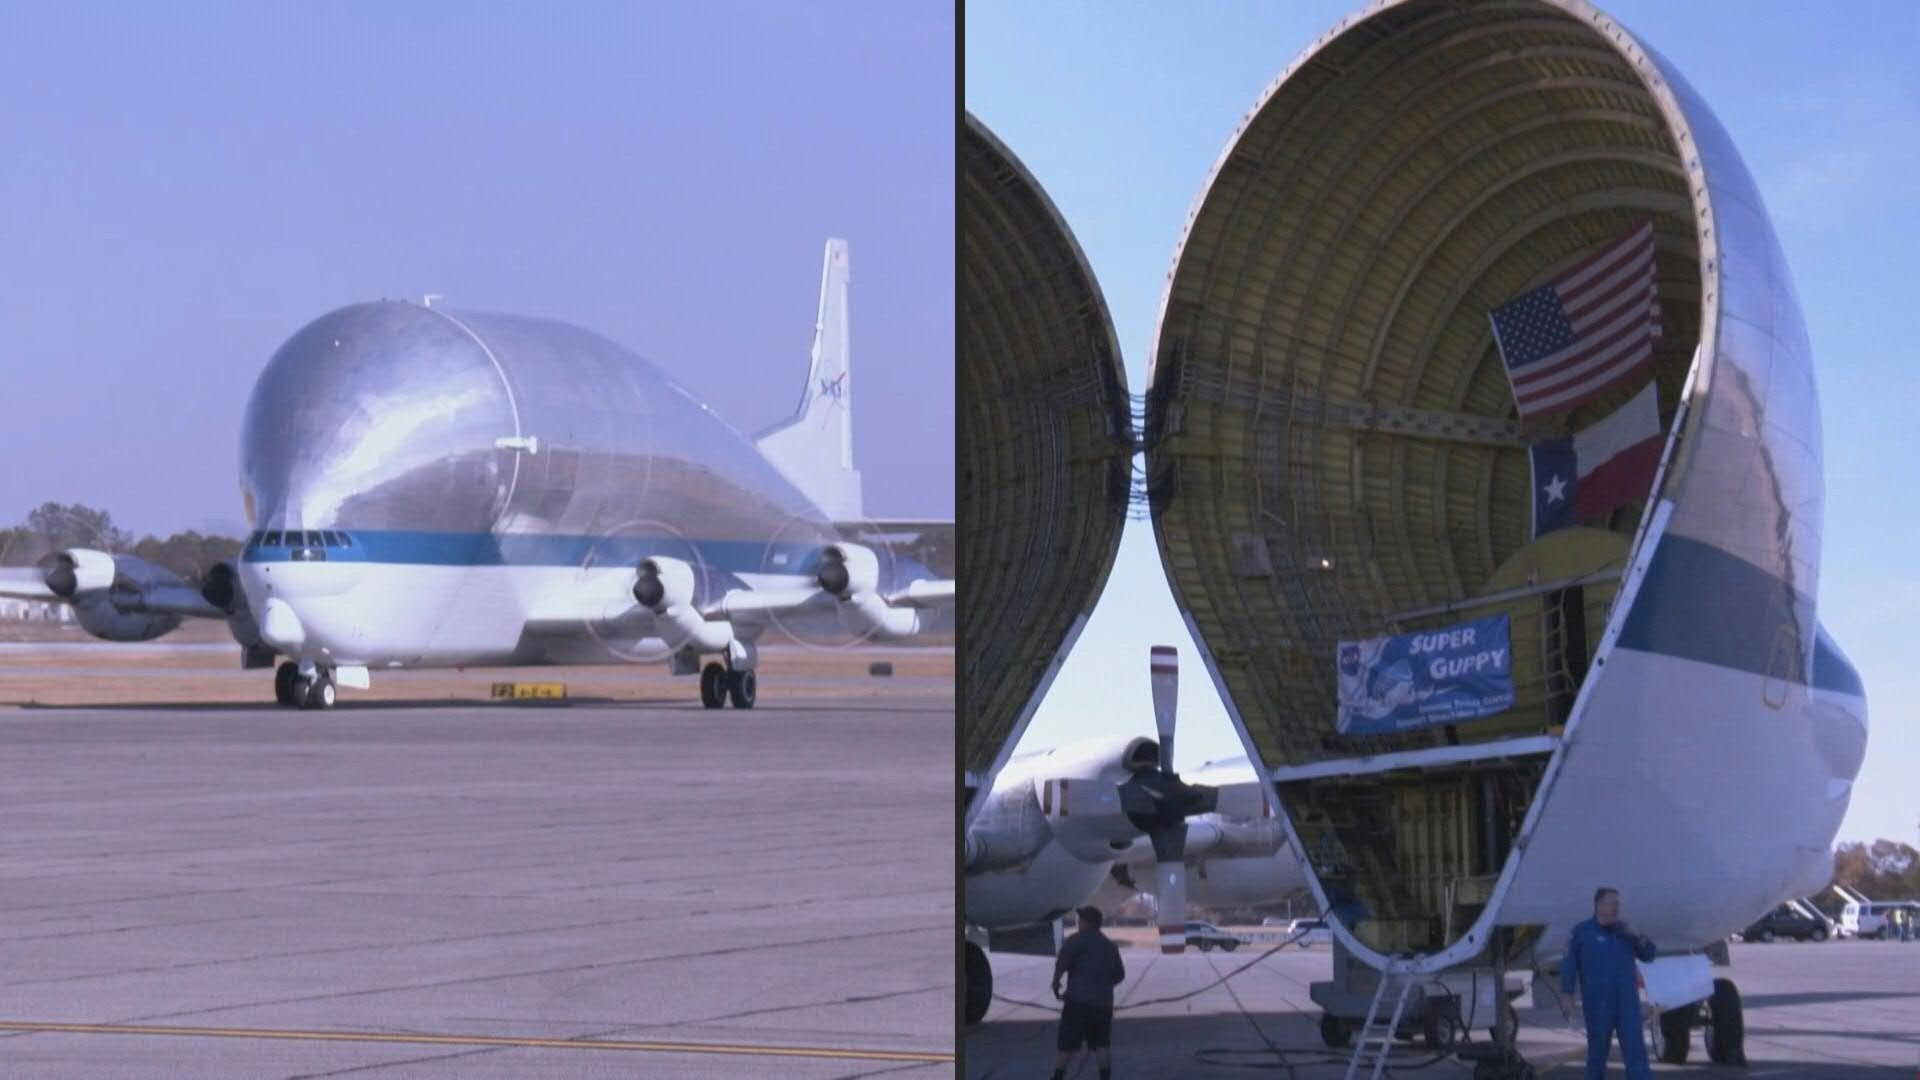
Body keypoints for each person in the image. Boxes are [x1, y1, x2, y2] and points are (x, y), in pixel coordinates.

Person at [1560, 886, 1657, 1080]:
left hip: (1626, 1004)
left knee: (1636, 1055)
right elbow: (1568, 965)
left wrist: (1639, 936)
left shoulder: (1626, 932)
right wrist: (1566, 994)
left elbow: (1649, 955)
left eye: (1617, 905)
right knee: (1597, 1056)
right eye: (1612, 904)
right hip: (1598, 1005)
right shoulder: (1581, 933)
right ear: (1599, 905)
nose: (1616, 909)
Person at [1051, 906, 1125, 1080]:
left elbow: (1062, 963)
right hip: (1103, 1004)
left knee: (1067, 1045)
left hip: (1077, 1003)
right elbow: (1120, 975)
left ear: (1087, 922)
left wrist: (1055, 984)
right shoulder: (1110, 945)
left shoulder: (1075, 940)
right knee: (1102, 1045)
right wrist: (1102, 987)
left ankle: (1057, 1077)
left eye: (1081, 919)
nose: (1079, 922)